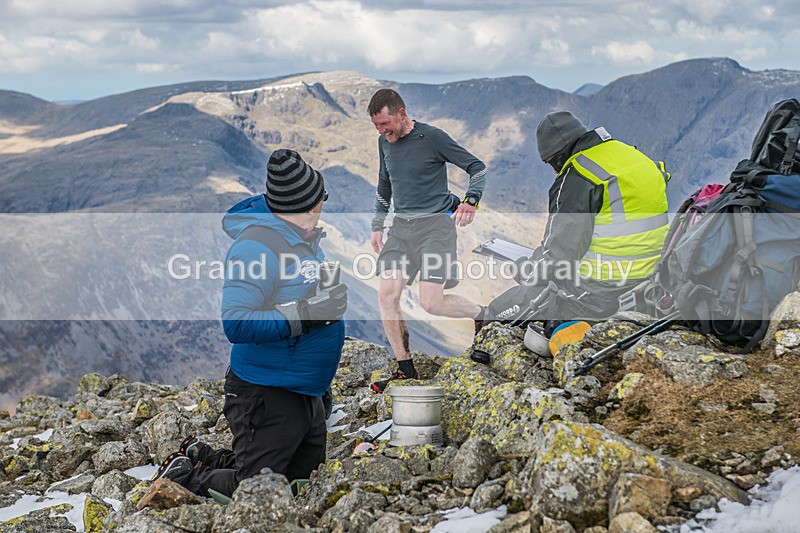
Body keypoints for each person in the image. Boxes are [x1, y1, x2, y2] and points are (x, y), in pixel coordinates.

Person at [153, 149, 347, 497]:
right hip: (267, 392)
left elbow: (293, 294)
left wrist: (322, 297)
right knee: (258, 491)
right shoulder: (255, 248)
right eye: (319, 201)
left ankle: (204, 456)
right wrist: (307, 313)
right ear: (298, 206)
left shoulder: (301, 237)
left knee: (305, 484)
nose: (323, 206)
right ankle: (183, 478)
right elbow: (237, 324)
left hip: (306, 392)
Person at [477, 111, 670, 357]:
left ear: (556, 157)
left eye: (550, 164)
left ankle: (485, 352)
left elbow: (558, 257)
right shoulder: (633, 156)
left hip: (600, 293)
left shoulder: (578, 175)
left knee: (499, 310)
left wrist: (525, 269)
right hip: (652, 282)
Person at [367, 88, 488, 393]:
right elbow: (385, 184)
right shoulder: (384, 142)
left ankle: (482, 314)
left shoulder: (432, 138)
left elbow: (477, 167)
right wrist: (377, 225)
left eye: (385, 124)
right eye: (377, 127)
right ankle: (404, 368)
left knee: (431, 303)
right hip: (402, 229)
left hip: (436, 227)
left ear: (402, 114)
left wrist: (470, 201)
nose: (382, 132)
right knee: (386, 295)